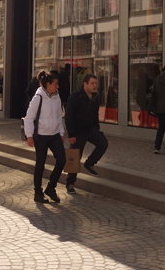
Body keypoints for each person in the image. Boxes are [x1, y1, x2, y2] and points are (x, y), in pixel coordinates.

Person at [23, 71, 66, 204]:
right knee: (40, 164)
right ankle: (38, 192)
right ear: (48, 84)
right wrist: (29, 136)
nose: (57, 87)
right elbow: (29, 118)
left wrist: (61, 132)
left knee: (62, 160)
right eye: (55, 84)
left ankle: (51, 188)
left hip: (54, 135)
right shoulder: (38, 98)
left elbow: (59, 116)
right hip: (41, 136)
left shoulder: (56, 97)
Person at [64, 73, 108, 194]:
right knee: (74, 157)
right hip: (77, 131)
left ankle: (89, 163)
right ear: (85, 84)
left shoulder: (95, 97)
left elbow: (95, 114)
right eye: (92, 83)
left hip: (90, 129)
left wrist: (97, 129)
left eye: (96, 83)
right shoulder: (75, 97)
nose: (95, 86)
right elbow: (68, 116)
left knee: (103, 143)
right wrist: (71, 134)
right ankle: (70, 183)